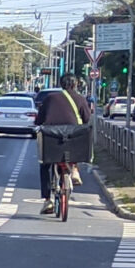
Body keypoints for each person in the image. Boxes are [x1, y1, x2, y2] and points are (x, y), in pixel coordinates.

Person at [34, 79, 88, 214]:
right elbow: (87, 118)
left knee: (45, 165)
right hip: (72, 135)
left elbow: (39, 120)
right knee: (74, 150)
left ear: (61, 85)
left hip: (52, 136)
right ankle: (74, 169)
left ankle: (47, 200)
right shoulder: (80, 98)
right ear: (75, 85)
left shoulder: (50, 98)